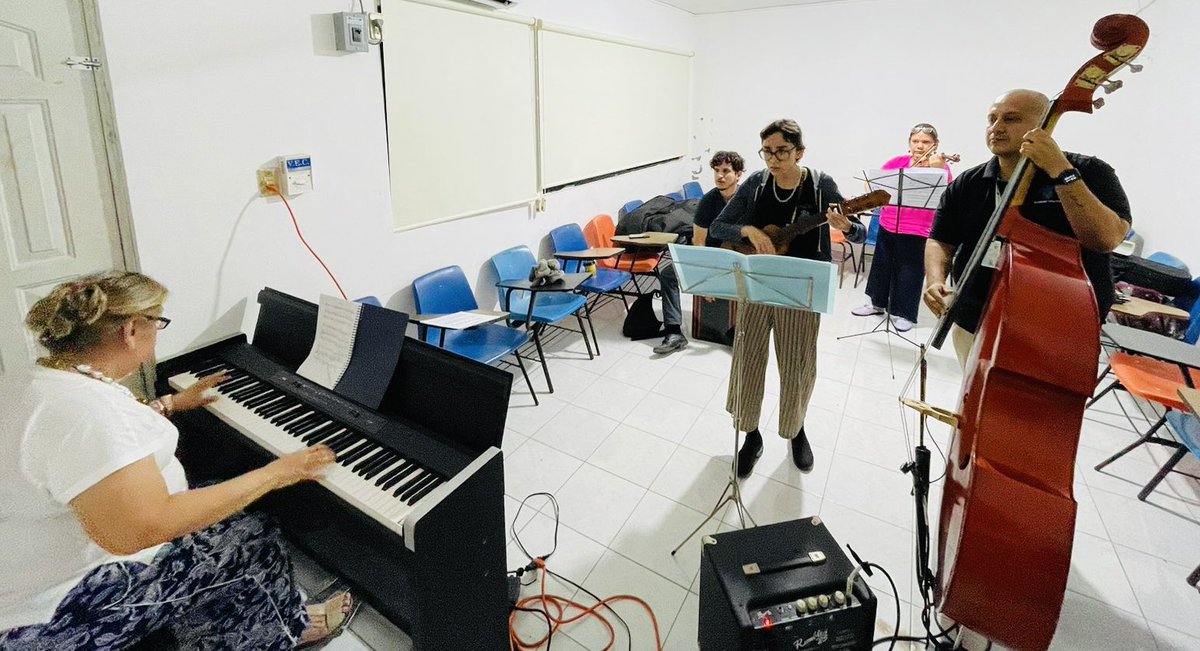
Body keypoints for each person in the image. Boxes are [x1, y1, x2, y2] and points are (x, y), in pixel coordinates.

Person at [0, 271, 351, 650]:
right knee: (253, 536)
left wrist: (168, 404)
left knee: (224, 501)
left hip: (33, 575)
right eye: (158, 322)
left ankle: (217, 623)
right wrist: (276, 473)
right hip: (61, 609)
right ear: (132, 330)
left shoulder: (37, 380)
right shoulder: (90, 414)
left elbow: (99, 447)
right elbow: (142, 531)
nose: (158, 333)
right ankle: (281, 631)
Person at [924, 89, 1132, 367]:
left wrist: (1060, 169)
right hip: (974, 318)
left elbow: (1107, 239)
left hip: (1058, 331)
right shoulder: (968, 183)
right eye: (992, 119)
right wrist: (936, 280)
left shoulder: (1091, 171)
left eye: (1011, 119)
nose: (996, 128)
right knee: (973, 400)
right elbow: (941, 240)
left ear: (1044, 124)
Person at [708, 119, 866, 474]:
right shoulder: (756, 182)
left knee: (796, 366)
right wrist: (747, 228)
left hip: (801, 289)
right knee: (747, 362)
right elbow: (719, 226)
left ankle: (796, 431)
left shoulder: (820, 184)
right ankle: (750, 436)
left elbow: (859, 233)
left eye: (782, 151)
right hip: (757, 284)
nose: (774, 159)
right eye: (767, 151)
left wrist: (847, 226)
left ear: (800, 152)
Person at [851, 123, 953, 332]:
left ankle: (905, 313)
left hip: (918, 229)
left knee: (910, 271)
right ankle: (876, 304)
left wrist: (937, 168)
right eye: (915, 141)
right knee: (881, 266)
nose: (919, 146)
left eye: (925, 142)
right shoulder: (898, 162)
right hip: (888, 224)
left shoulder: (941, 168)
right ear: (909, 143)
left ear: (935, 144)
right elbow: (874, 185)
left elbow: (945, 195)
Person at [653, 151, 745, 355]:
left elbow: (737, 243)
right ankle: (674, 331)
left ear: (738, 175)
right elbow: (699, 241)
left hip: (738, 257)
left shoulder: (746, 200)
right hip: (709, 256)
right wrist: (704, 279)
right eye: (716, 171)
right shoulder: (708, 201)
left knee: (748, 279)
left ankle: (740, 331)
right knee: (668, 274)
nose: (720, 176)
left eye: (726, 171)